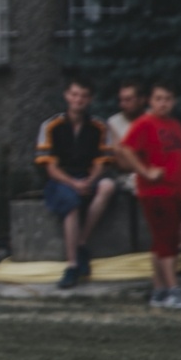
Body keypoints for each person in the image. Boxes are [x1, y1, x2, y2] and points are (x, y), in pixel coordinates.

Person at [115, 82, 181, 310]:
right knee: (167, 241)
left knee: (164, 241)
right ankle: (174, 290)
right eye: (159, 98)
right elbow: (125, 149)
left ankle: (159, 291)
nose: (164, 103)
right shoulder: (144, 123)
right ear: (150, 101)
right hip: (157, 192)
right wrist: (145, 171)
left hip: (178, 191)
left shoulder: (175, 125)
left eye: (168, 98)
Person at [35, 79, 116, 289]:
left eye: (83, 96)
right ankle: (72, 265)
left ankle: (81, 242)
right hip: (60, 180)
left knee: (108, 186)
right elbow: (50, 167)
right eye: (74, 95)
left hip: (88, 178)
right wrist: (72, 182)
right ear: (66, 96)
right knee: (71, 202)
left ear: (89, 99)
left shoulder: (99, 126)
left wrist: (90, 180)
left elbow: (102, 161)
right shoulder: (51, 125)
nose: (78, 100)